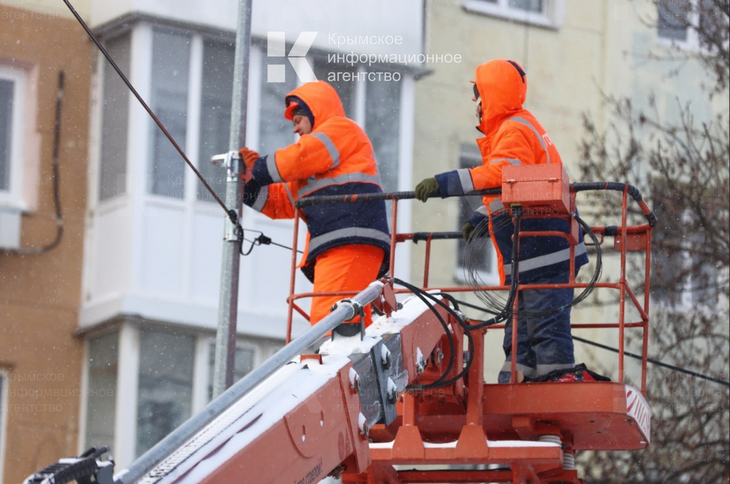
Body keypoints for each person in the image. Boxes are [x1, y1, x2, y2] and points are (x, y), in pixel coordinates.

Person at [414, 59, 588, 383]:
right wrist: (480, 217)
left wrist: (446, 183)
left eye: (478, 93)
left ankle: (556, 387)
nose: (474, 101)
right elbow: (512, 191)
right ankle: (516, 387)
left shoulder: (514, 130)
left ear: (492, 95)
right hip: (538, 252)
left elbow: (501, 175)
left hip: (544, 252)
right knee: (520, 335)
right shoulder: (515, 129)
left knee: (544, 329)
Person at [240, 80, 390, 329]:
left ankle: (343, 352)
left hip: (350, 238)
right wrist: (249, 184)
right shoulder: (314, 164)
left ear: (314, 112)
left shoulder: (339, 130)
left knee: (331, 319)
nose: (295, 128)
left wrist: (259, 167)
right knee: (344, 319)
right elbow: (281, 203)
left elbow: (299, 157)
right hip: (345, 240)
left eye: (298, 120)